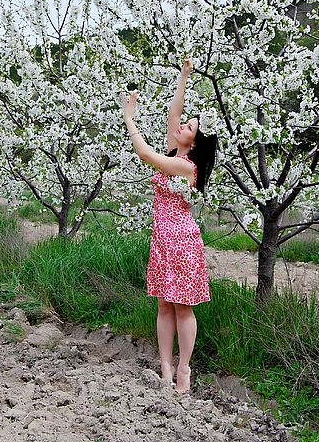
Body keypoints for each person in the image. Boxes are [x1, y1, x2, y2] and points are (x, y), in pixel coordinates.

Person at [122, 58, 218, 394]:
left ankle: (184, 369)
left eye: (189, 128)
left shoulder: (185, 166)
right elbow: (172, 116)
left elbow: (147, 157)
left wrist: (130, 119)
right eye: (186, 124)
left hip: (182, 240)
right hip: (162, 238)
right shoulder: (175, 150)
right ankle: (164, 364)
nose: (181, 127)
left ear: (194, 142)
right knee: (164, 303)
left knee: (182, 306)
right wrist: (184, 76)